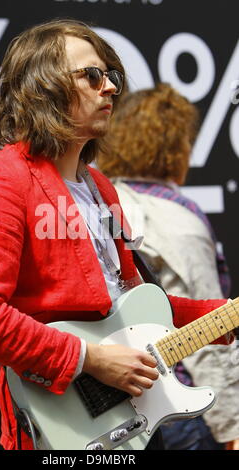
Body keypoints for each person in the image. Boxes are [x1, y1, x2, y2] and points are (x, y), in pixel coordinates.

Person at [0, 21, 231, 451]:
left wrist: (224, 317)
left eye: (112, 76)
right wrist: (91, 359)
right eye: (92, 76)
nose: (111, 89)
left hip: (130, 416)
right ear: (43, 88)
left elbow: (140, 307)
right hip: (59, 423)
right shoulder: (1, 178)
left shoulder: (100, 188)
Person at [98, 83, 239, 449]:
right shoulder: (179, 219)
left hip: (121, 410)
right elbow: (210, 339)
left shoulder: (98, 204)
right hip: (183, 410)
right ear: (176, 147)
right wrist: (232, 426)